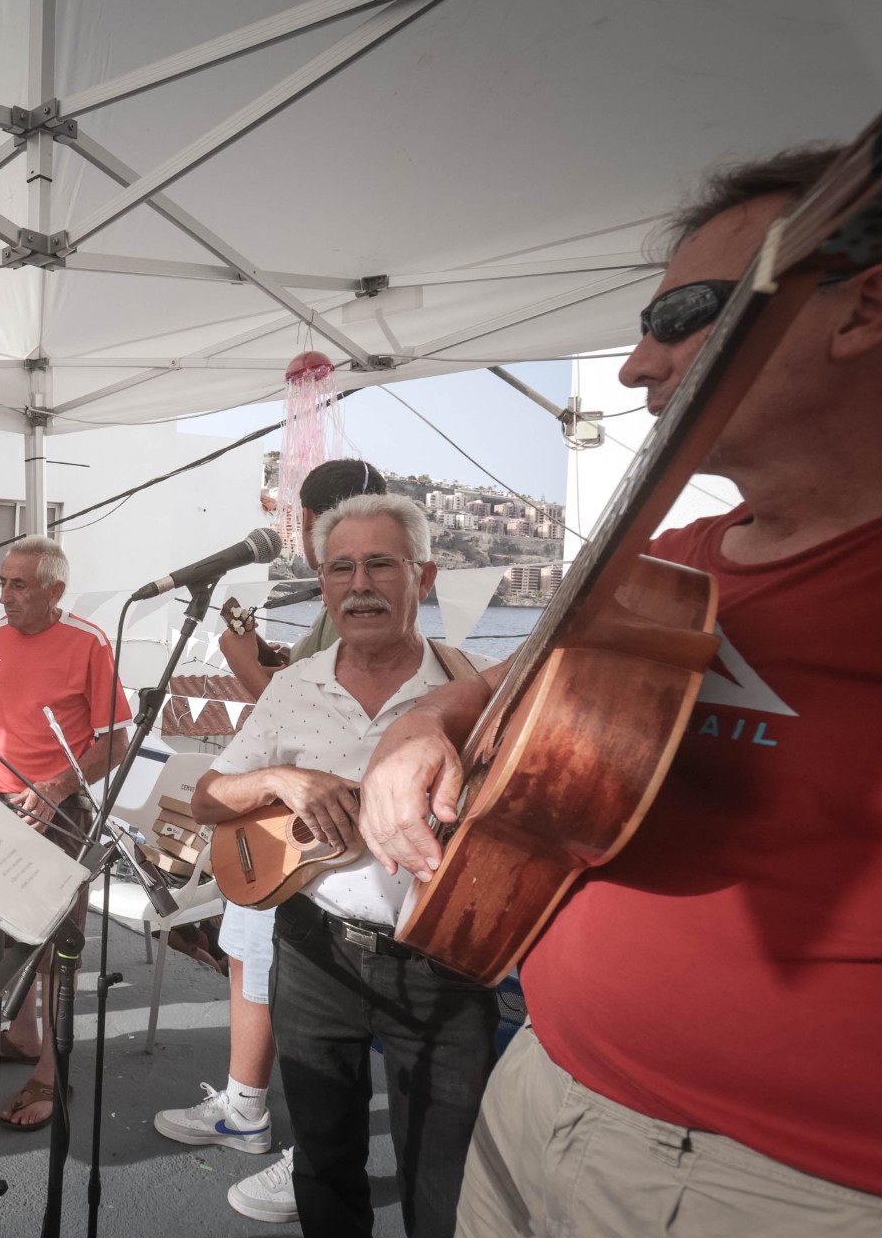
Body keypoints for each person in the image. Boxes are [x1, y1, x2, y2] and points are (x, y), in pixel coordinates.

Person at [359, 145, 882, 1237]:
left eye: (686, 314)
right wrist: (419, 724)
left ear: (863, 307)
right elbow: (495, 687)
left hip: (787, 1180)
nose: (640, 365)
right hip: (544, 1080)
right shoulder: (671, 561)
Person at [193, 493, 496, 1236]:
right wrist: (278, 780)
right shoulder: (295, 684)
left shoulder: (479, 689)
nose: (359, 584)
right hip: (313, 948)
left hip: (440, 964)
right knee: (323, 1163)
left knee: (444, 1181)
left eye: (380, 564)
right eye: (341, 568)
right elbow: (208, 797)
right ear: (323, 587)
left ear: (423, 579)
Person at [153, 457, 389, 1221]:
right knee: (247, 959)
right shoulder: (344, 603)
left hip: (318, 843)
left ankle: (296, 1146)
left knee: (295, 992)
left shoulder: (355, 598)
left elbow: (311, 720)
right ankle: (247, 1107)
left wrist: (240, 664)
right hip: (288, 826)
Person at [0, 536, 131, 1132]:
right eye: (2, 582)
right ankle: (24, 1035)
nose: (4, 596)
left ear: (55, 591)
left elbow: (115, 742)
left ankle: (53, 1072)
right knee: (6, 933)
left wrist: (54, 788)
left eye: (19, 585)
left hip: (57, 811)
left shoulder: (88, 643)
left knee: (61, 946)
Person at [219, 460, 387, 701]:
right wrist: (299, 662)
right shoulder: (376, 594)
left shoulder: (355, 603)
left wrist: (246, 668)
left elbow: (321, 727)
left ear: (307, 519)